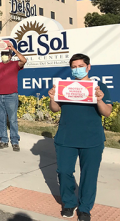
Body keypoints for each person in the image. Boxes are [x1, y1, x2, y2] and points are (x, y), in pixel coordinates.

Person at [48, 53, 112, 221]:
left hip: (92, 139)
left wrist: (99, 100)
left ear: (88, 67)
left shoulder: (99, 87)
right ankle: (69, 203)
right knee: (64, 171)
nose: (77, 70)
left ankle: (84, 208)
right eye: (74, 67)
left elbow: (107, 112)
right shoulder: (65, 86)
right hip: (66, 138)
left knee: (89, 175)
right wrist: (52, 98)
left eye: (80, 66)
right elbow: (55, 109)